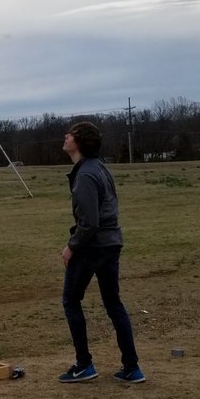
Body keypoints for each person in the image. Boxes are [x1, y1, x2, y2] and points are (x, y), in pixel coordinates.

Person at [59, 122, 144, 383]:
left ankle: (84, 365)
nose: (66, 136)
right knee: (113, 304)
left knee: (71, 300)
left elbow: (90, 223)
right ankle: (132, 368)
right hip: (110, 243)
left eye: (71, 134)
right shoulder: (98, 168)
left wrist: (71, 247)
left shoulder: (86, 174)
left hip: (92, 246)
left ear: (80, 142)